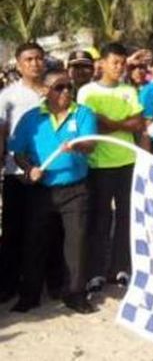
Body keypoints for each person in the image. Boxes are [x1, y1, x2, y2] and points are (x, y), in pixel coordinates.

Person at [8, 69, 97, 314]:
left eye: (69, 87)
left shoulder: (83, 113)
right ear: (46, 91)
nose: (66, 92)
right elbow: (18, 151)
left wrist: (78, 145)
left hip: (76, 189)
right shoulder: (31, 118)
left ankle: (75, 295)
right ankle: (30, 295)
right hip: (42, 191)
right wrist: (30, 168)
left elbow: (91, 145)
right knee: (35, 243)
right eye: (59, 87)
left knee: (75, 243)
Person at [77, 42, 145, 292]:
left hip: (127, 162)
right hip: (99, 164)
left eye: (122, 63)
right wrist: (123, 123)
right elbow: (93, 124)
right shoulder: (87, 92)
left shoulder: (129, 90)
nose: (119, 67)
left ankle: (121, 268)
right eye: (114, 62)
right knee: (101, 218)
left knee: (127, 217)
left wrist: (112, 122)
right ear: (102, 63)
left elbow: (138, 122)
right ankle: (95, 272)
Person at [0, 42, 49, 303]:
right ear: (19, 65)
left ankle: (38, 282)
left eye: (38, 58)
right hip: (16, 172)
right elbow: (1, 131)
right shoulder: (8, 96)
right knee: (13, 230)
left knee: (42, 230)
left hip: (46, 171)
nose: (34, 63)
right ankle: (8, 284)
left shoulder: (53, 92)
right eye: (28, 59)